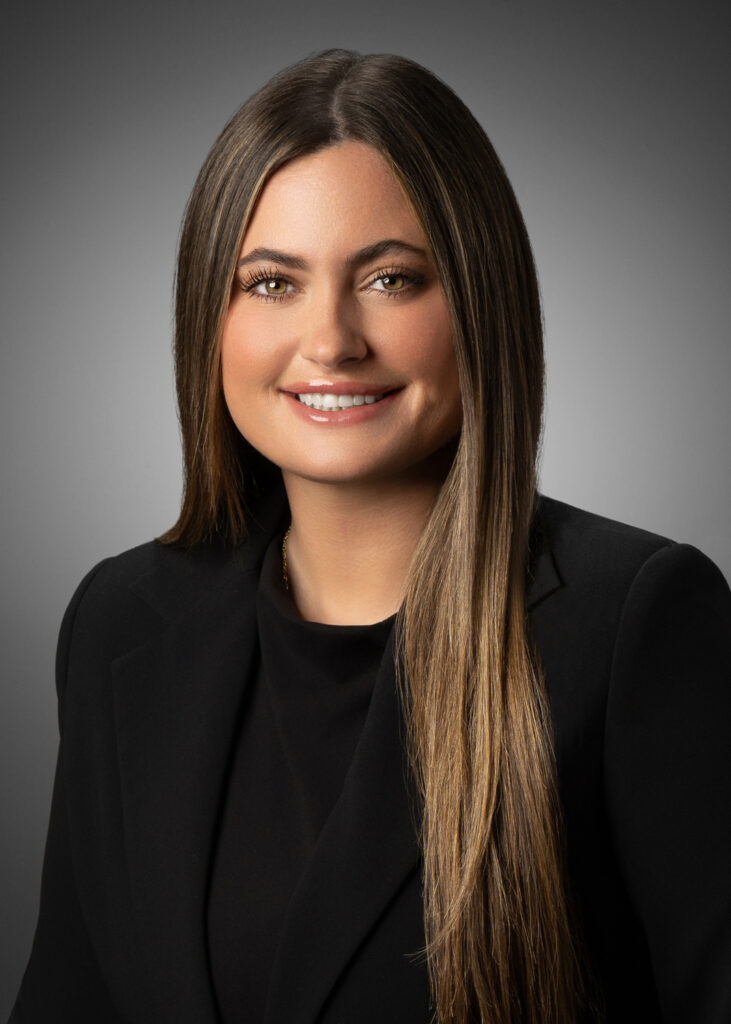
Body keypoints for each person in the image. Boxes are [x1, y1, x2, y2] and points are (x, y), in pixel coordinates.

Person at [9, 49, 730, 1024]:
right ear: (206, 320)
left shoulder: (637, 623)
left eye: (390, 278)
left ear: (480, 301)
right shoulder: (122, 619)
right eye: (271, 284)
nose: (331, 339)